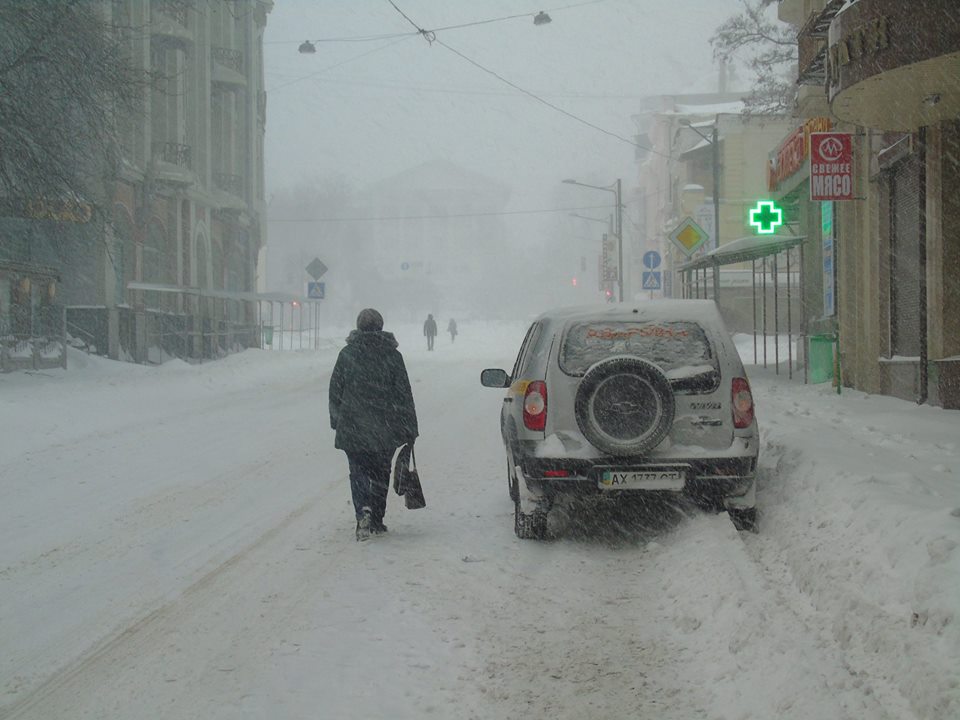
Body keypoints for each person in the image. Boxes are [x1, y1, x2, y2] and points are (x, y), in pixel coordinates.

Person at [329, 308, 419, 541]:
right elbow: (403, 393)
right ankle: (377, 519)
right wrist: (410, 427)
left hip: (353, 427)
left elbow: (335, 390)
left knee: (357, 471)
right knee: (381, 472)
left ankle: (362, 512)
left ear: (358, 327)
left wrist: (336, 420)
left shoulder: (347, 354)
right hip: (385, 427)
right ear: (381, 327)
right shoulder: (392, 356)